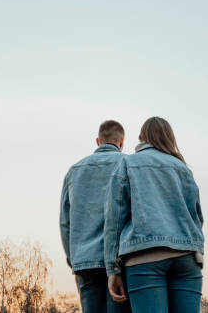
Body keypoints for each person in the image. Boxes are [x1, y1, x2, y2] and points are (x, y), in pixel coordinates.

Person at [103, 116, 204, 313]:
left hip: (144, 258)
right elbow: (197, 217)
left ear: (142, 137)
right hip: (187, 258)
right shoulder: (183, 169)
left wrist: (112, 269)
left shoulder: (127, 165)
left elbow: (114, 220)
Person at [60, 120, 132, 313]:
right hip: (121, 260)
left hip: (84, 260)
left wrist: (73, 259)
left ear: (98, 141)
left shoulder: (74, 171)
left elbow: (65, 223)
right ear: (122, 142)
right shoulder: (129, 165)